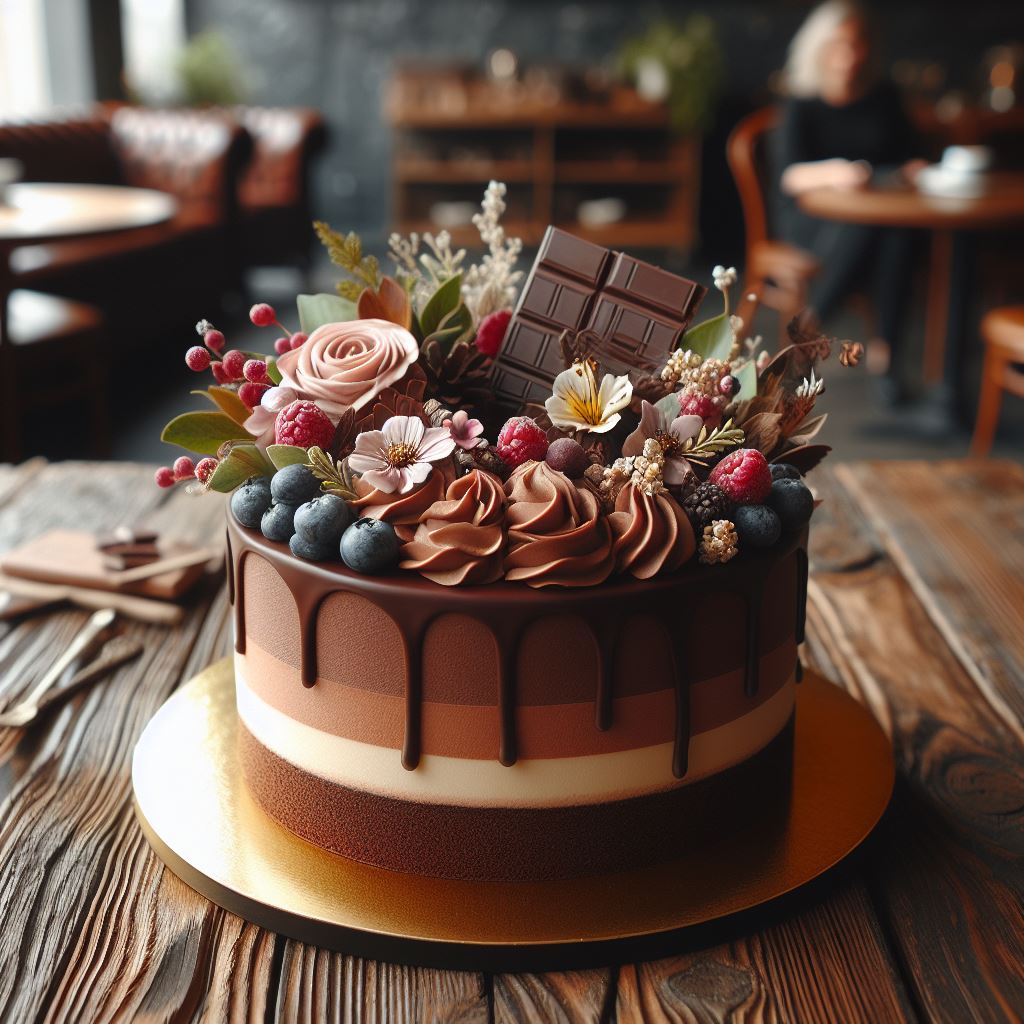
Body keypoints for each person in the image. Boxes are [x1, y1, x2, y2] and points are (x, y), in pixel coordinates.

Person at [773, 1, 925, 391]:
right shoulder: (802, 101)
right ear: (820, 46)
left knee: (896, 234)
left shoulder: (884, 96)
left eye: (858, 45)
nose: (851, 56)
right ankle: (869, 348)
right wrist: (838, 172)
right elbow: (790, 176)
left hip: (873, 215)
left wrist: (911, 170)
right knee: (881, 232)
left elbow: (907, 158)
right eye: (841, 44)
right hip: (811, 219)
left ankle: (850, 343)